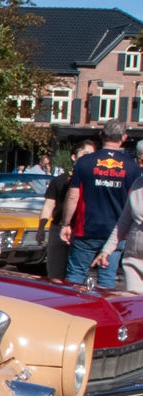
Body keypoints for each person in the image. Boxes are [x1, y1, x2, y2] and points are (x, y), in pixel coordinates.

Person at [61, 120, 138, 288]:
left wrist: (66, 223)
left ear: (101, 135)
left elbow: (73, 195)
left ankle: (69, 310)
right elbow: (135, 201)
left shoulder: (85, 162)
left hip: (86, 228)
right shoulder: (132, 167)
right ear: (124, 138)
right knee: (106, 278)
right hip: (116, 231)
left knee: (76, 274)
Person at [37, 142, 87, 281]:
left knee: (77, 277)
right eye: (83, 155)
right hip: (58, 228)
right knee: (55, 274)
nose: (87, 158)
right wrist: (41, 228)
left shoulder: (92, 182)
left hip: (81, 232)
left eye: (90, 155)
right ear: (73, 157)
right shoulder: (59, 180)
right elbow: (49, 205)